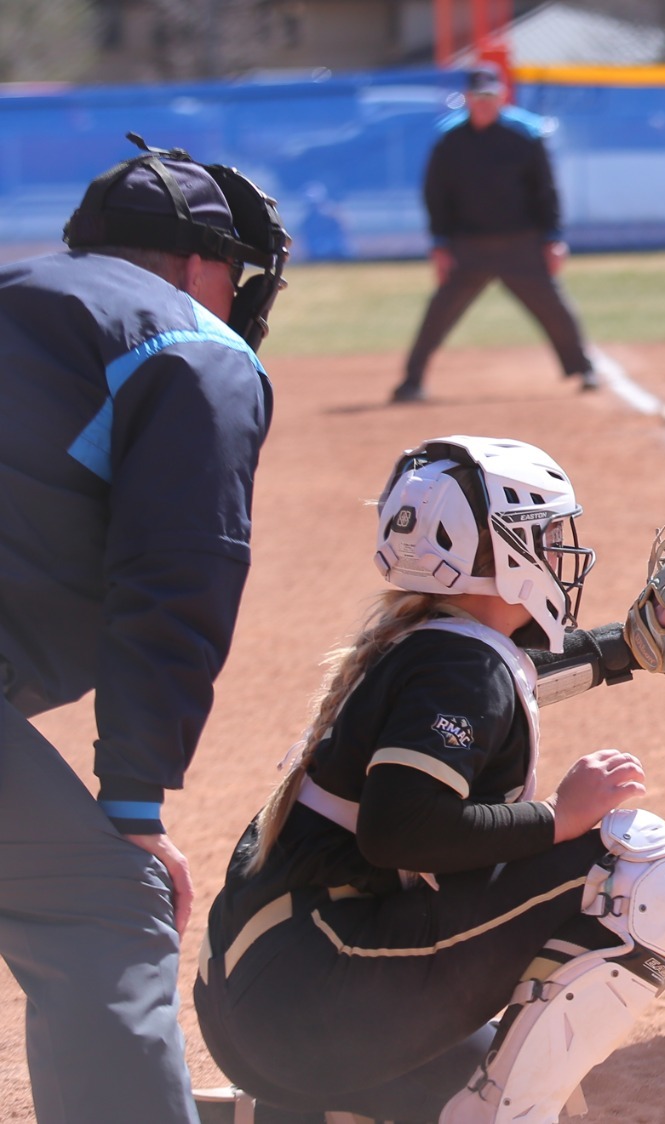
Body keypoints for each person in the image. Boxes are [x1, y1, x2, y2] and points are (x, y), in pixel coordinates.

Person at [192, 436, 665, 1123]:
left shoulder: (430, 646)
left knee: (494, 1071)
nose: (558, 550)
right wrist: (558, 819)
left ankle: (239, 1115)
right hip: (307, 993)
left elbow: (507, 689)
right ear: (501, 551)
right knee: (638, 863)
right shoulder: (457, 667)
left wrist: (632, 644)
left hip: (268, 1001)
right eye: (544, 533)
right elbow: (399, 830)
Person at [0, 134, 287, 1124]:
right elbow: (179, 568)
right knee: (106, 908)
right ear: (200, 263)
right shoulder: (191, 341)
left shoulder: (22, 294)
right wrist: (131, 805)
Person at [393, 65, 597, 404]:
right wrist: (440, 243)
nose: (484, 103)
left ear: (501, 96)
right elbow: (436, 194)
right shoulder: (450, 139)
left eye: (490, 95)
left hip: (521, 245)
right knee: (438, 315)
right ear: (467, 100)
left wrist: (553, 238)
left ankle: (583, 368)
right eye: (477, 97)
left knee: (554, 309)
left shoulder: (524, 135)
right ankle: (411, 381)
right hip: (468, 248)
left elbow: (546, 191)